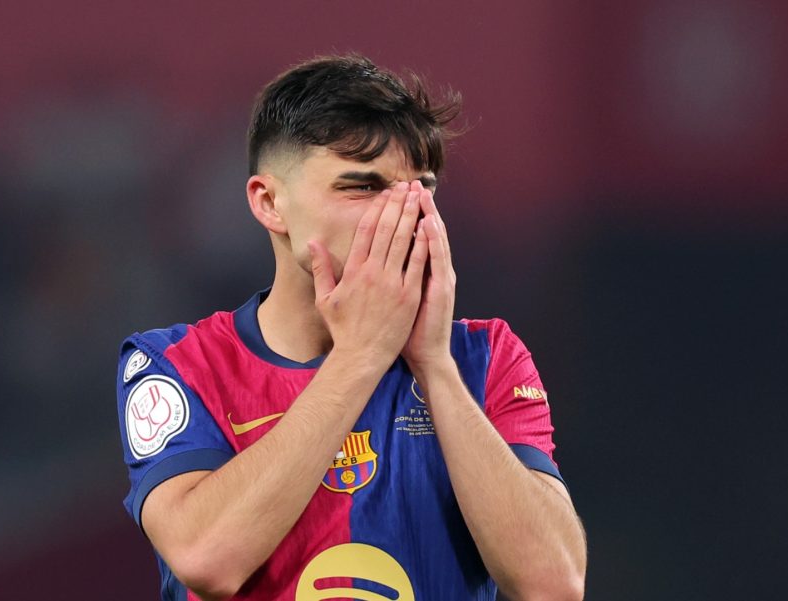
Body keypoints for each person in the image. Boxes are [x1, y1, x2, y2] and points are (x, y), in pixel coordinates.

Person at [115, 53, 587, 601]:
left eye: (421, 189)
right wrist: (359, 356)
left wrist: (434, 365)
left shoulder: (485, 358)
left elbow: (554, 584)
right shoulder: (178, 365)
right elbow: (206, 559)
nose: (403, 215)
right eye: (362, 187)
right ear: (270, 203)